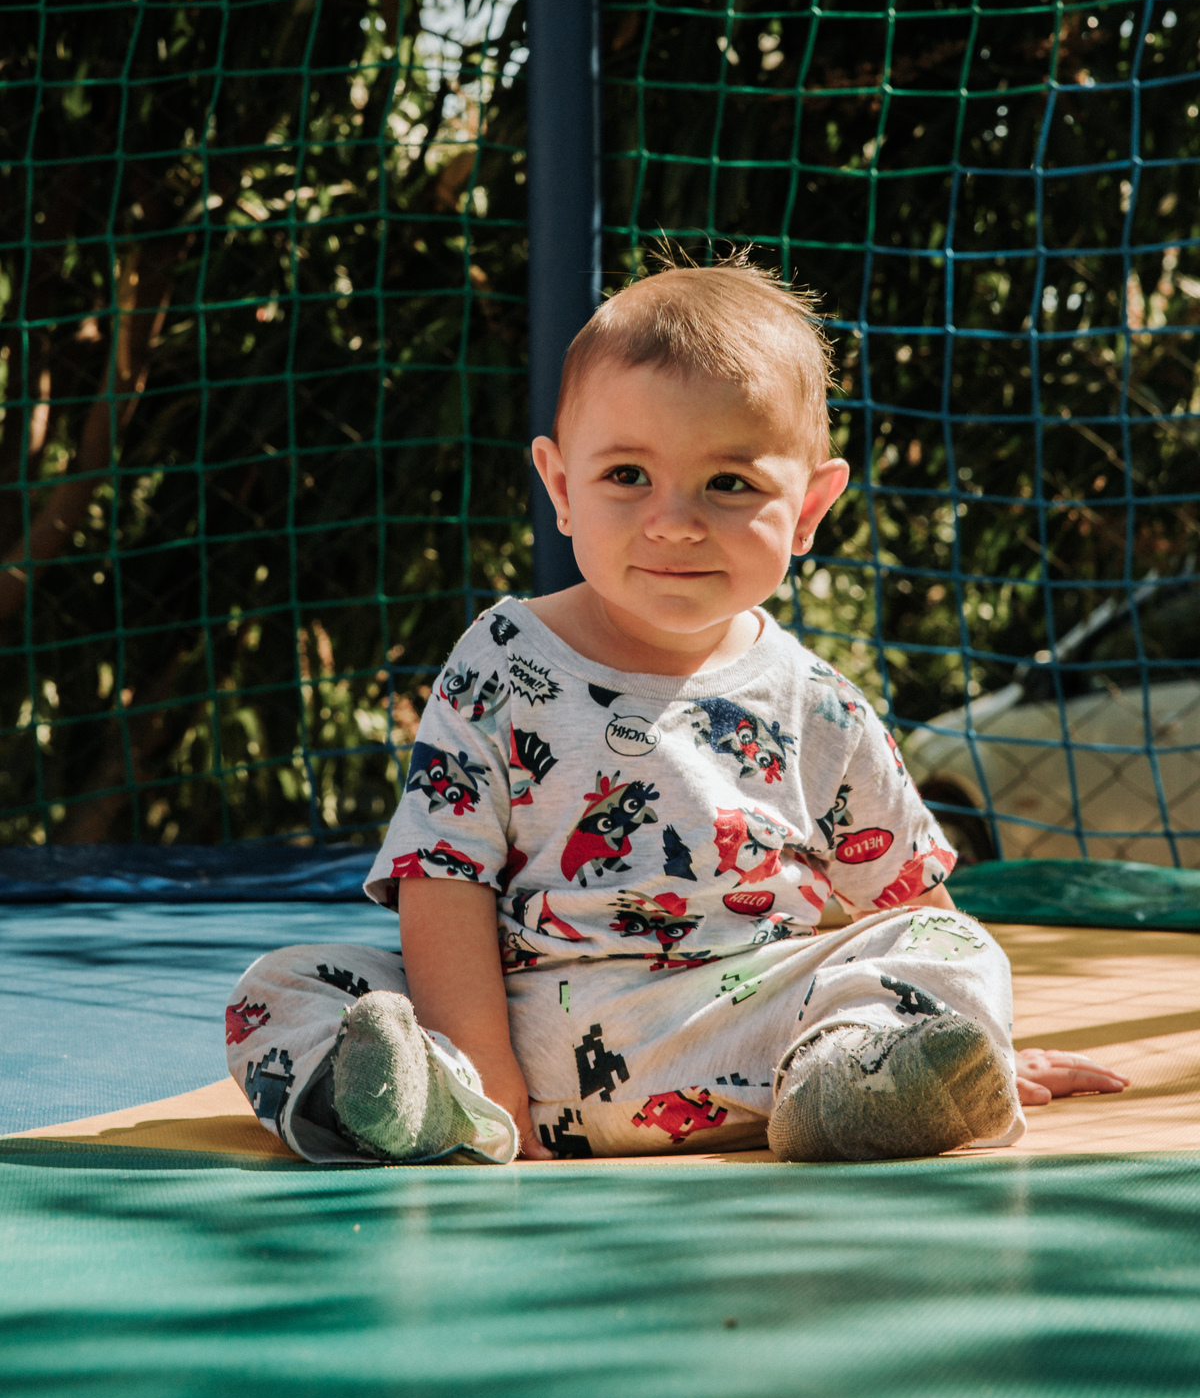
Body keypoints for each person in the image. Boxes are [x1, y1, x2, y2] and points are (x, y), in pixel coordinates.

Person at [226, 259, 1128, 1165]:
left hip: (754, 1037)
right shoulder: (502, 660)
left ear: (810, 507)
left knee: (951, 944)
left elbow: (906, 897)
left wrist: (969, 1035)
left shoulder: (816, 703)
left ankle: (857, 1085)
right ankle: (425, 1105)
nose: (674, 522)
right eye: (627, 474)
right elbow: (442, 878)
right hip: (522, 1035)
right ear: (561, 485)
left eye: (729, 484)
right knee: (281, 989)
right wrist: (487, 1070)